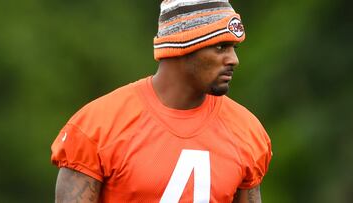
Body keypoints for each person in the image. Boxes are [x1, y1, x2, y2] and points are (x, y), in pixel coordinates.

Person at [51, 0, 272, 202]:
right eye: (220, 47)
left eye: (235, 48)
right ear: (183, 45)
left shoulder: (246, 131)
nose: (234, 60)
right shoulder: (97, 126)